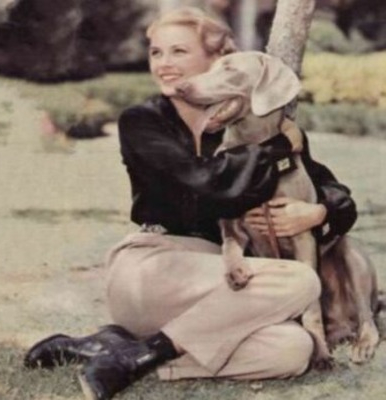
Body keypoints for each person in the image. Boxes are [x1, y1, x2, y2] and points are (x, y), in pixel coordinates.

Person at [23, 7, 357, 400]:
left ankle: (126, 355)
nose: (164, 65)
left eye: (178, 52)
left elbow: (337, 196)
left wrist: (317, 212)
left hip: (221, 286)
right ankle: (142, 351)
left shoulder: (251, 125)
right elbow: (212, 187)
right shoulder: (144, 122)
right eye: (156, 53)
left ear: (219, 61)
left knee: (292, 349)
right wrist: (280, 147)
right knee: (301, 280)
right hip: (152, 268)